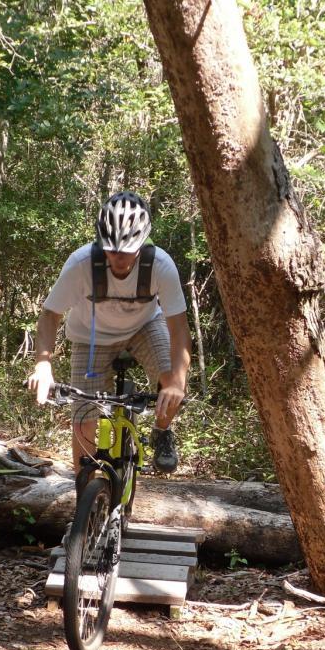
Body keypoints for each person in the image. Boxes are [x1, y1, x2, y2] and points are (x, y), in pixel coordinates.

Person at [27, 191, 192, 476]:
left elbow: (178, 328)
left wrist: (177, 383)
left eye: (127, 250)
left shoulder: (161, 266)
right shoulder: (81, 264)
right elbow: (50, 315)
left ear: (142, 243)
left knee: (171, 380)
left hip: (144, 327)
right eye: (111, 249)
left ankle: (162, 432)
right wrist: (43, 366)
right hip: (91, 338)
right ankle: (86, 501)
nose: (119, 258)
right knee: (83, 420)